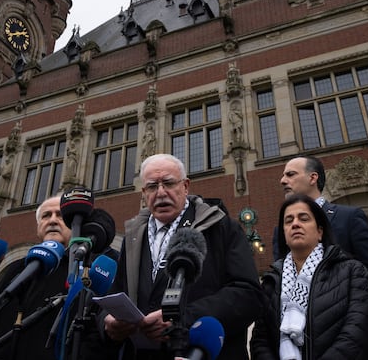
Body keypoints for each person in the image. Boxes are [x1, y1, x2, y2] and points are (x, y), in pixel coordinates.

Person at [102, 153, 263, 360]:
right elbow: (115, 294)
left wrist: (182, 318)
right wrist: (108, 323)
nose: (160, 193)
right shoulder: (132, 238)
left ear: (185, 186)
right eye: (152, 186)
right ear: (143, 193)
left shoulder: (220, 227)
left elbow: (249, 295)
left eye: (168, 183)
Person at [251, 193, 368, 359]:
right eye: (289, 221)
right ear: (283, 234)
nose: (295, 224)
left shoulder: (352, 272)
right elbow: (260, 341)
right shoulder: (271, 282)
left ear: (320, 231)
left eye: (304, 218)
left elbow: (358, 331)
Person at [274, 155, 368, 299]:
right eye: (284, 176)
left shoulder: (348, 218)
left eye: (290, 174)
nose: (283, 181)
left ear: (313, 178)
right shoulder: (280, 230)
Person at [0, 195, 72, 359]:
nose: (53, 221)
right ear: (38, 226)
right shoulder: (15, 272)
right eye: (46, 216)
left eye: (60, 215)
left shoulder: (79, 269)